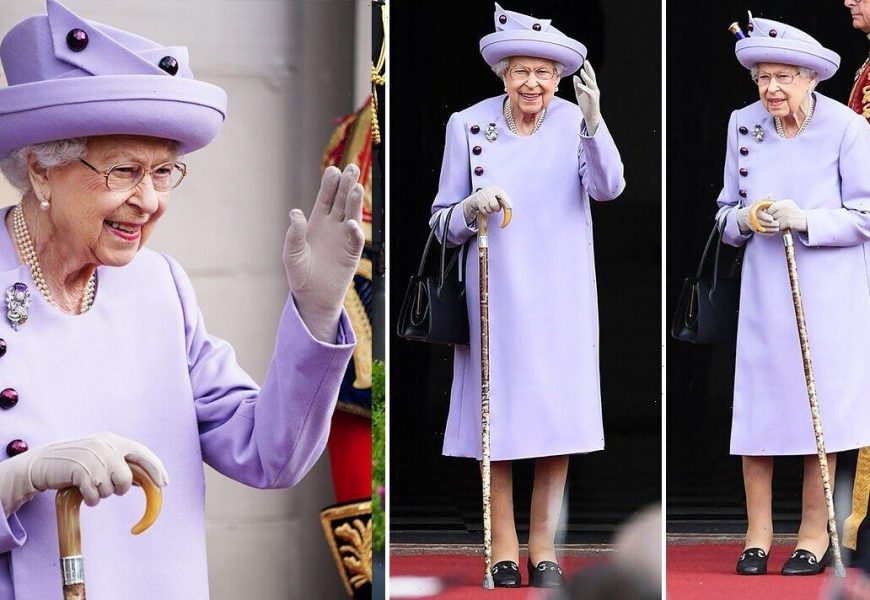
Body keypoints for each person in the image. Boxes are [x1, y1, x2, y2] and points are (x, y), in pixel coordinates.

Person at [0, 1, 364, 597]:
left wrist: (318, 309)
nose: (150, 200)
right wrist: (17, 479)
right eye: (124, 171)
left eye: (164, 172)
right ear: (41, 171)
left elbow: (270, 455)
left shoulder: (159, 285)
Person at [430, 3, 625, 588]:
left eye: (543, 72)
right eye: (520, 71)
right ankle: (502, 543)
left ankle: (543, 543)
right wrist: (471, 209)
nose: (531, 83)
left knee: (552, 420)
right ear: (502, 74)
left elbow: (609, 187)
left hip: (560, 295)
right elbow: (440, 221)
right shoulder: (467, 125)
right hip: (496, 297)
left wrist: (595, 121)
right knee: (500, 421)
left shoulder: (573, 122)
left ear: (560, 78)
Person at [716, 13, 870, 576]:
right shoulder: (743, 124)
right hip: (763, 292)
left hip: (827, 295)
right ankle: (757, 533)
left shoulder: (848, 129)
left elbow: (866, 215)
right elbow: (724, 214)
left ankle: (812, 533)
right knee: (758, 415)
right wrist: (747, 218)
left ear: (811, 78)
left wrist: (806, 219)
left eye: (784, 76)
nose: (772, 89)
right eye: (762, 77)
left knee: (818, 416)